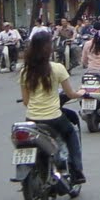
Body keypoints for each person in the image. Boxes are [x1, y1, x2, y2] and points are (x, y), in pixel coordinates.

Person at [20, 31, 88, 184]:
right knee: (71, 133)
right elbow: (70, 94)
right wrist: (81, 93)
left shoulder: (25, 71)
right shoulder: (57, 68)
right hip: (53, 118)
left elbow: (26, 101)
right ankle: (76, 170)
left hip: (31, 119)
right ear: (49, 48)